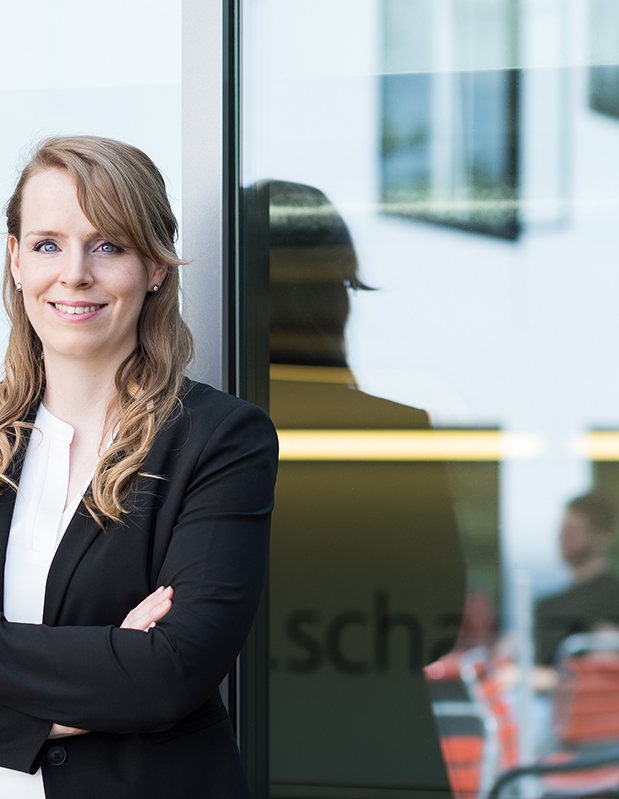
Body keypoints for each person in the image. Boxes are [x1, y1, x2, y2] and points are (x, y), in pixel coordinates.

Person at [0, 136, 279, 799]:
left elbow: (168, 674)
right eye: (47, 244)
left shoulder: (218, 441)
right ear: (15, 260)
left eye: (109, 245)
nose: (74, 273)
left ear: (154, 266)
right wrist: (77, 702)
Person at [259, 180, 467, 795]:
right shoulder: (394, 431)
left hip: (246, 750)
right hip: (381, 753)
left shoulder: (190, 432)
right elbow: (436, 624)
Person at [533, 492, 619, 671]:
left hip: (568, 694)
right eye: (563, 529)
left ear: (602, 539)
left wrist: (530, 678)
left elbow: (600, 669)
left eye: (574, 531)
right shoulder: (548, 602)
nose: (563, 538)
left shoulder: (618, 597)